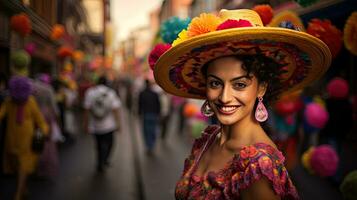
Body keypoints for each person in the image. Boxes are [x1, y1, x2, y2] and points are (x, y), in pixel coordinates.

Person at [149, 9, 332, 199]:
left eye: (240, 84)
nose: (225, 97)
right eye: (215, 83)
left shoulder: (258, 166)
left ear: (261, 88)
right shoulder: (209, 138)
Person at [0, 76, 49, 200]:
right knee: (17, 168)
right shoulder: (9, 101)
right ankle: (24, 188)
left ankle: (18, 194)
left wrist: (43, 131)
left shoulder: (31, 101)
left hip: (27, 142)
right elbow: (1, 114)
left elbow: (40, 120)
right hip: (12, 140)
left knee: (23, 167)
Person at [83, 76, 121, 172]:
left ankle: (100, 161)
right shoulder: (111, 93)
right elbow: (115, 110)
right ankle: (104, 159)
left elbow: (86, 110)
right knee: (110, 144)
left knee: (99, 145)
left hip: (95, 125)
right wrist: (119, 124)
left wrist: (86, 125)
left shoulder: (90, 92)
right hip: (109, 126)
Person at [138, 79, 161, 153]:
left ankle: (149, 145)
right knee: (153, 130)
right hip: (154, 114)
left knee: (146, 131)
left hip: (146, 114)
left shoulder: (142, 93)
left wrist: (139, 113)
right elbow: (158, 105)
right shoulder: (155, 94)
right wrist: (158, 114)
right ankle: (152, 144)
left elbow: (139, 105)